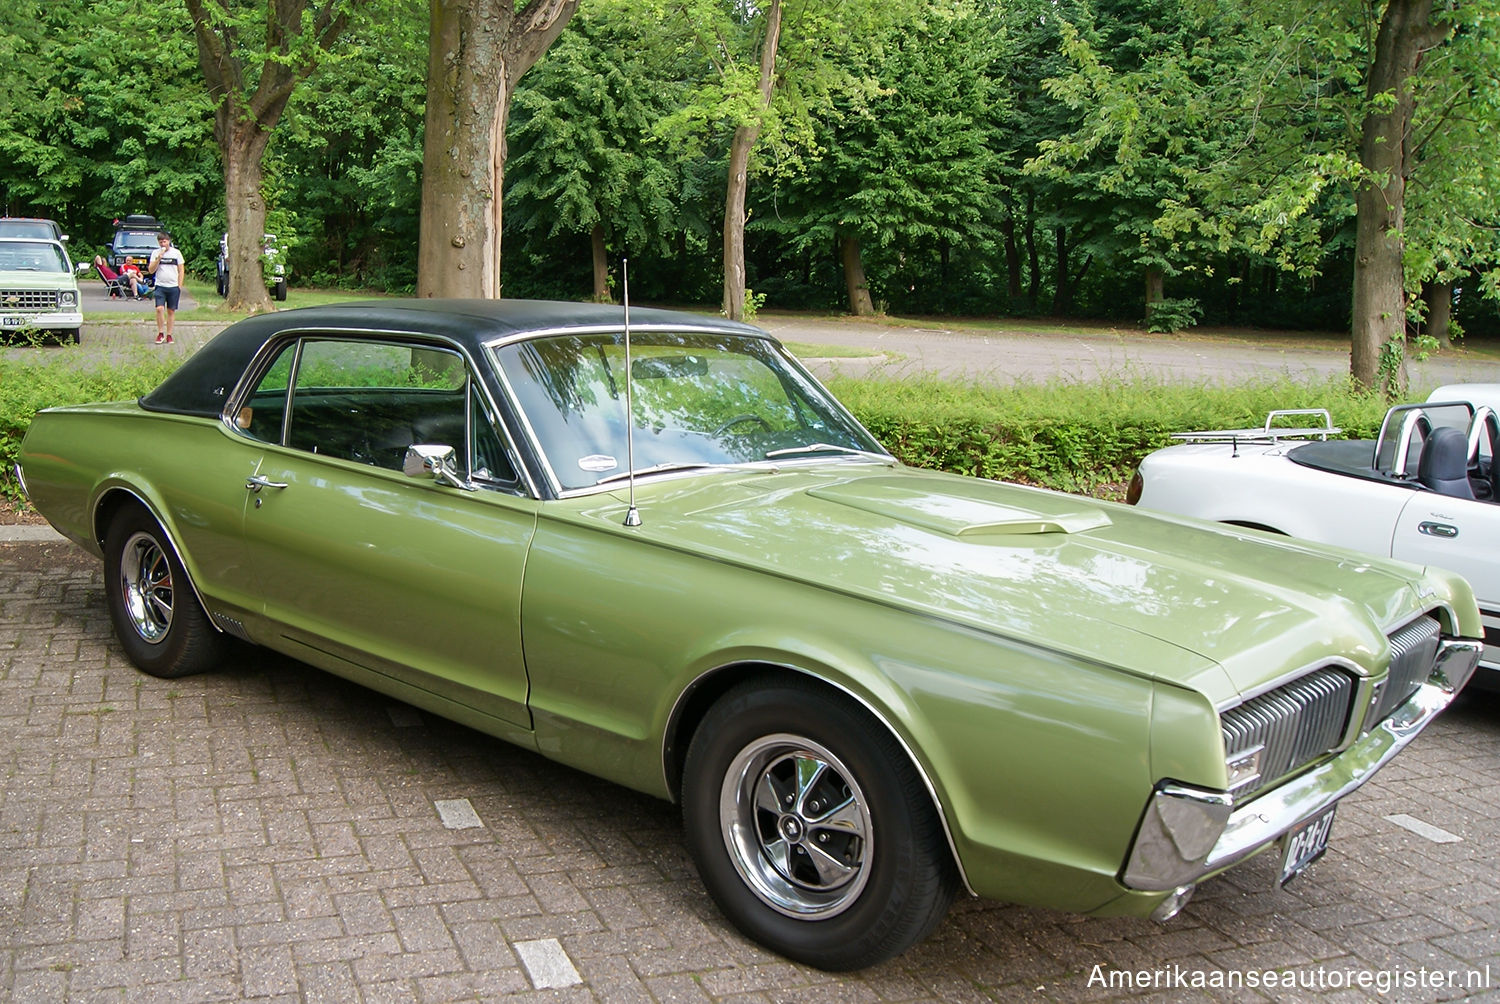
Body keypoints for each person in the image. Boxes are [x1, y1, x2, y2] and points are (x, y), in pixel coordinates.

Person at [148, 232, 185, 344]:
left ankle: (169, 334)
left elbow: (181, 269)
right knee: (159, 309)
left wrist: (179, 286)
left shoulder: (176, 253)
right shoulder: (155, 253)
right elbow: (151, 270)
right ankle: (160, 333)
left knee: (171, 311)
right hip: (160, 285)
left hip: (173, 286)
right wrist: (158, 259)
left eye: (165, 241)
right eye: (161, 242)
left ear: (169, 241)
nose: (163, 244)